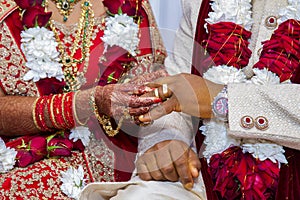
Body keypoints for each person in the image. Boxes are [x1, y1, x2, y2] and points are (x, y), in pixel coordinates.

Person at [80, 0, 300, 199]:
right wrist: (166, 142)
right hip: (206, 178)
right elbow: (176, 88)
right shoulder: (200, 4)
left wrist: (223, 100)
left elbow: (200, 94)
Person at [0, 0, 168, 199]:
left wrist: (141, 97)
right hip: (22, 155)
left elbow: (158, 93)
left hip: (115, 156)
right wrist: (86, 104)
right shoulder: (6, 11)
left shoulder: (132, 5)